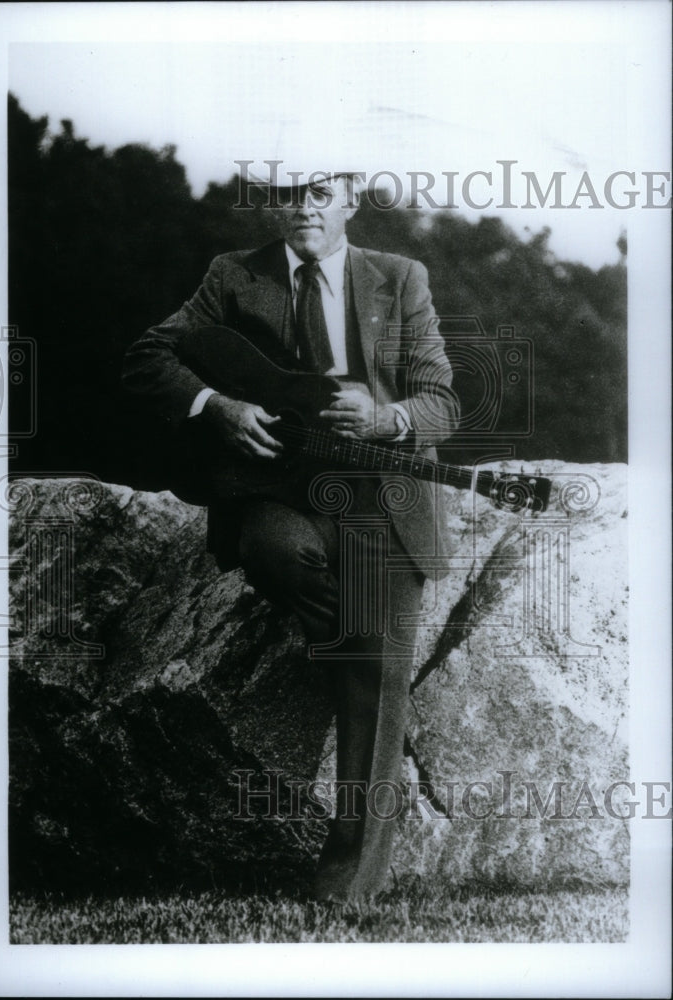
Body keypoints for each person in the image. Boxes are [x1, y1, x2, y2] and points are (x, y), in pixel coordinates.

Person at [122, 171, 460, 900]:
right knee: (274, 554)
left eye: (321, 191)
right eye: (288, 192)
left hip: (381, 494)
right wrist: (217, 407)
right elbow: (148, 356)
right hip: (278, 490)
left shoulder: (401, 278)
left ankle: (346, 889)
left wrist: (385, 417)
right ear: (272, 204)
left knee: (374, 679)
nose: (303, 206)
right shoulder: (233, 275)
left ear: (350, 202)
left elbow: (443, 404)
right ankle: (363, 652)